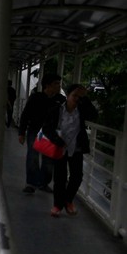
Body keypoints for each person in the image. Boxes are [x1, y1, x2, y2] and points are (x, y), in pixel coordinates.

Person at [42, 83, 98, 217]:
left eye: (80, 97)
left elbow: (94, 116)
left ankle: (68, 200)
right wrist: (56, 140)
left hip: (76, 149)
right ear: (67, 95)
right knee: (59, 178)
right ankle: (57, 205)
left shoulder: (82, 110)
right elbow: (46, 128)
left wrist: (85, 100)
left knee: (77, 177)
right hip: (60, 148)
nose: (76, 99)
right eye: (74, 95)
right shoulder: (57, 110)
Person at [18, 73, 65, 194]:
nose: (58, 86)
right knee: (32, 157)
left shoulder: (60, 100)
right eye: (56, 84)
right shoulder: (36, 98)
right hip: (35, 131)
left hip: (51, 134)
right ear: (48, 85)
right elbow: (25, 115)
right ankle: (31, 184)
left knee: (49, 160)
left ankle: (43, 183)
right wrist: (21, 132)